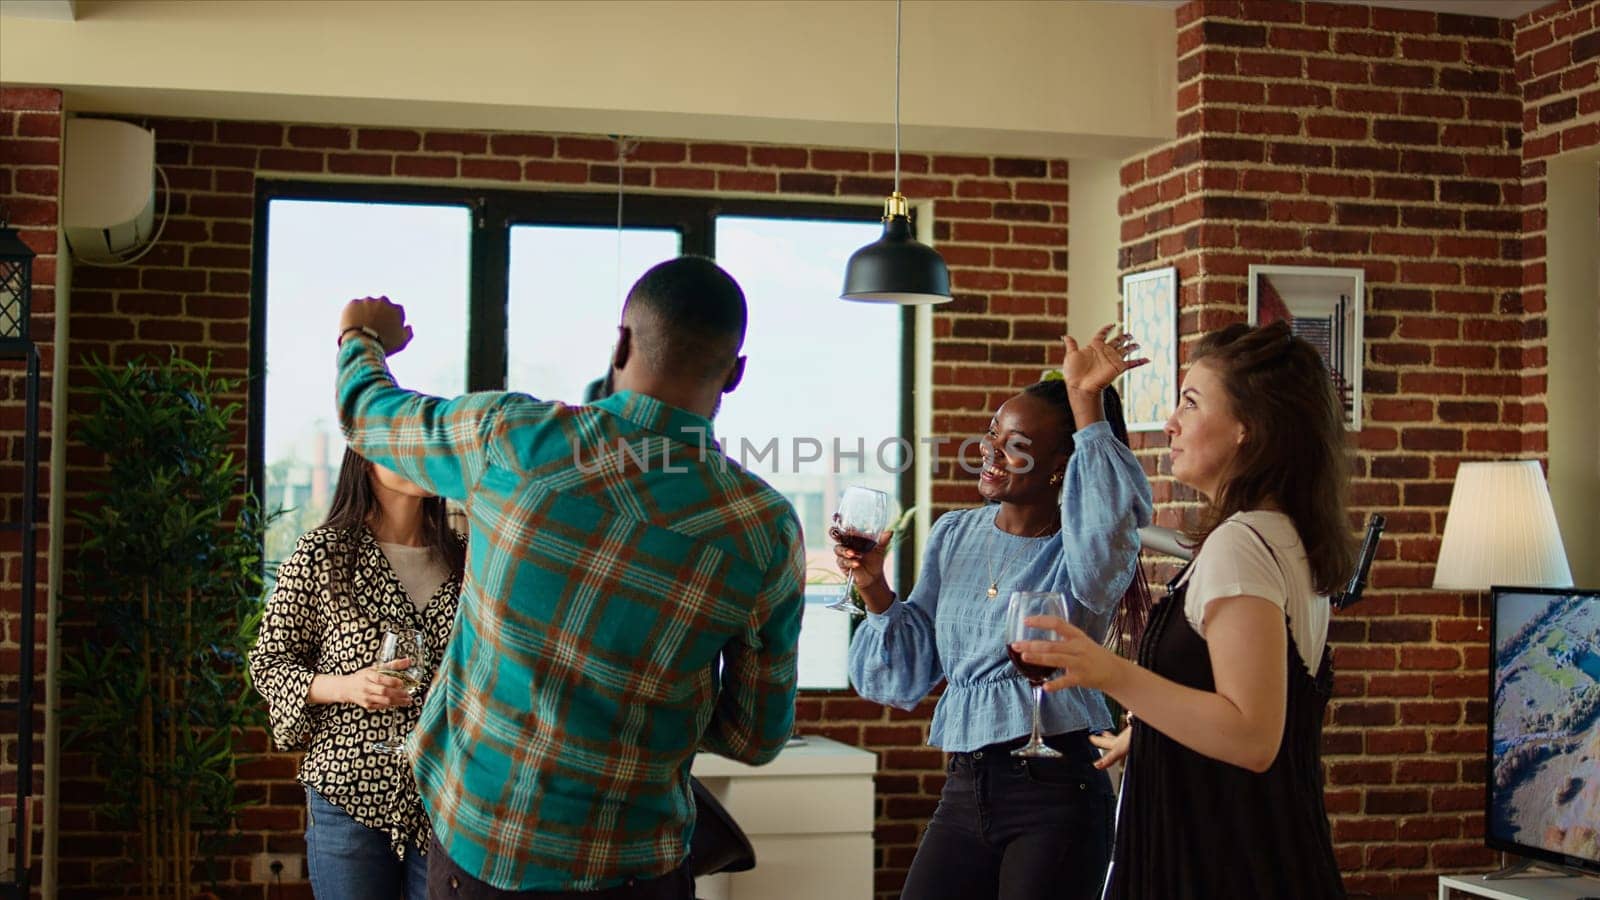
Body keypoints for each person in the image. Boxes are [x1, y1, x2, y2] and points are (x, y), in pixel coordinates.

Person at [333, 255, 805, 899]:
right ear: (736, 374)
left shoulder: (514, 441)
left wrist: (361, 335)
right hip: (636, 871)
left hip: (482, 854)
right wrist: (652, 699)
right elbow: (755, 737)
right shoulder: (764, 530)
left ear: (621, 342)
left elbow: (366, 413)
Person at [1014, 320, 1353, 900]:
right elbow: (1254, 697)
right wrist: (1154, 731)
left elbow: (1252, 735)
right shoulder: (1281, 533)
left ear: (1250, 428)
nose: (1170, 422)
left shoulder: (1242, 545)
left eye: (1191, 404)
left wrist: (1108, 672)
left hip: (1224, 864)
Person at [837, 325, 1153, 900]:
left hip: (1056, 790)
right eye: (992, 433)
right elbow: (913, 667)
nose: (989, 449)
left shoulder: (1081, 553)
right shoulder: (953, 533)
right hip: (966, 785)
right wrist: (874, 586)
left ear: (1061, 464)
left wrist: (1086, 402)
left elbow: (1109, 528)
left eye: (1015, 442)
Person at [250, 448, 466, 900]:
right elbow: (268, 662)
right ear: (366, 460)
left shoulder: (465, 561)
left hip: (444, 799)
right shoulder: (324, 555)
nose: (419, 458)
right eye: (402, 448)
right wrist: (347, 686)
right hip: (349, 792)